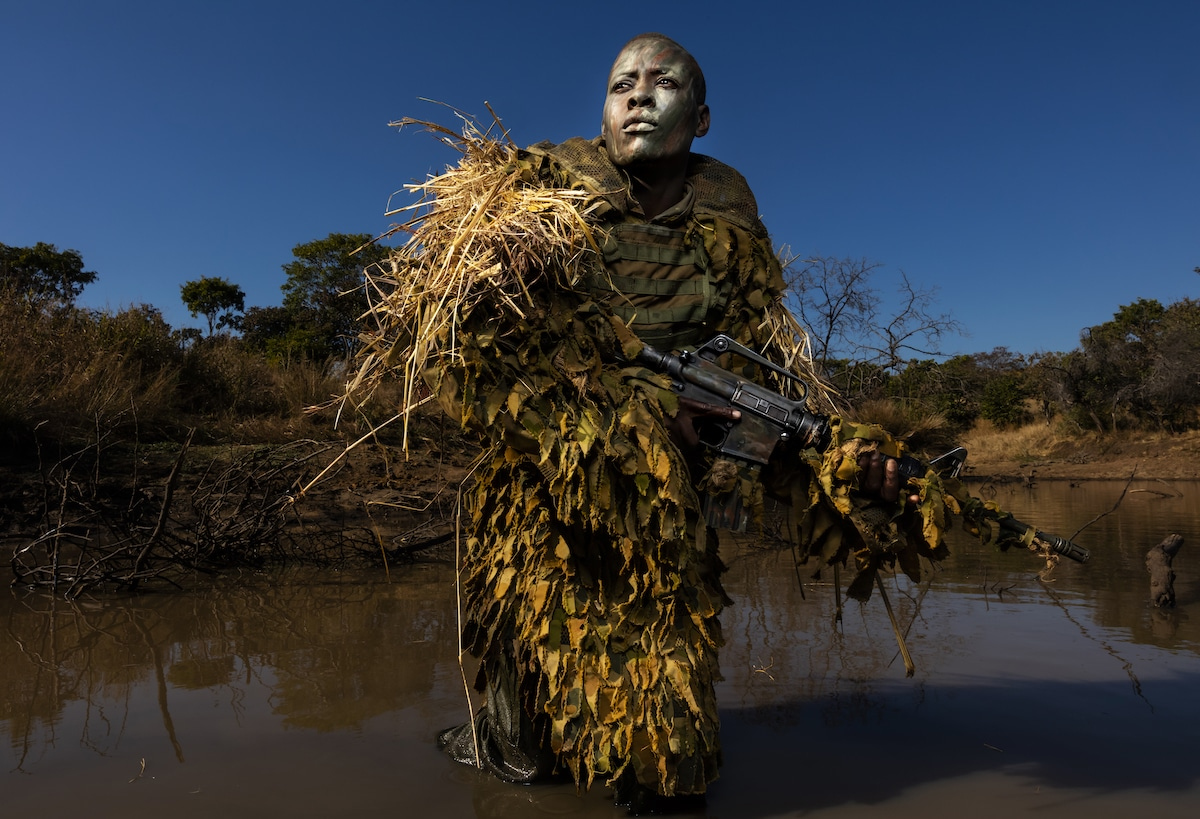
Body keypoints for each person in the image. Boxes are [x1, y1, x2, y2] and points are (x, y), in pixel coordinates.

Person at [423, 32, 909, 812]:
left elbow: (752, 392)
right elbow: (475, 359)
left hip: (667, 510)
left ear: (703, 117)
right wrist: (638, 410)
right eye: (622, 84)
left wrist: (837, 473)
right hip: (542, 492)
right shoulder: (539, 199)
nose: (639, 95)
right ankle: (517, 748)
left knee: (665, 733)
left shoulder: (727, 223)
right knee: (528, 726)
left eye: (663, 83)